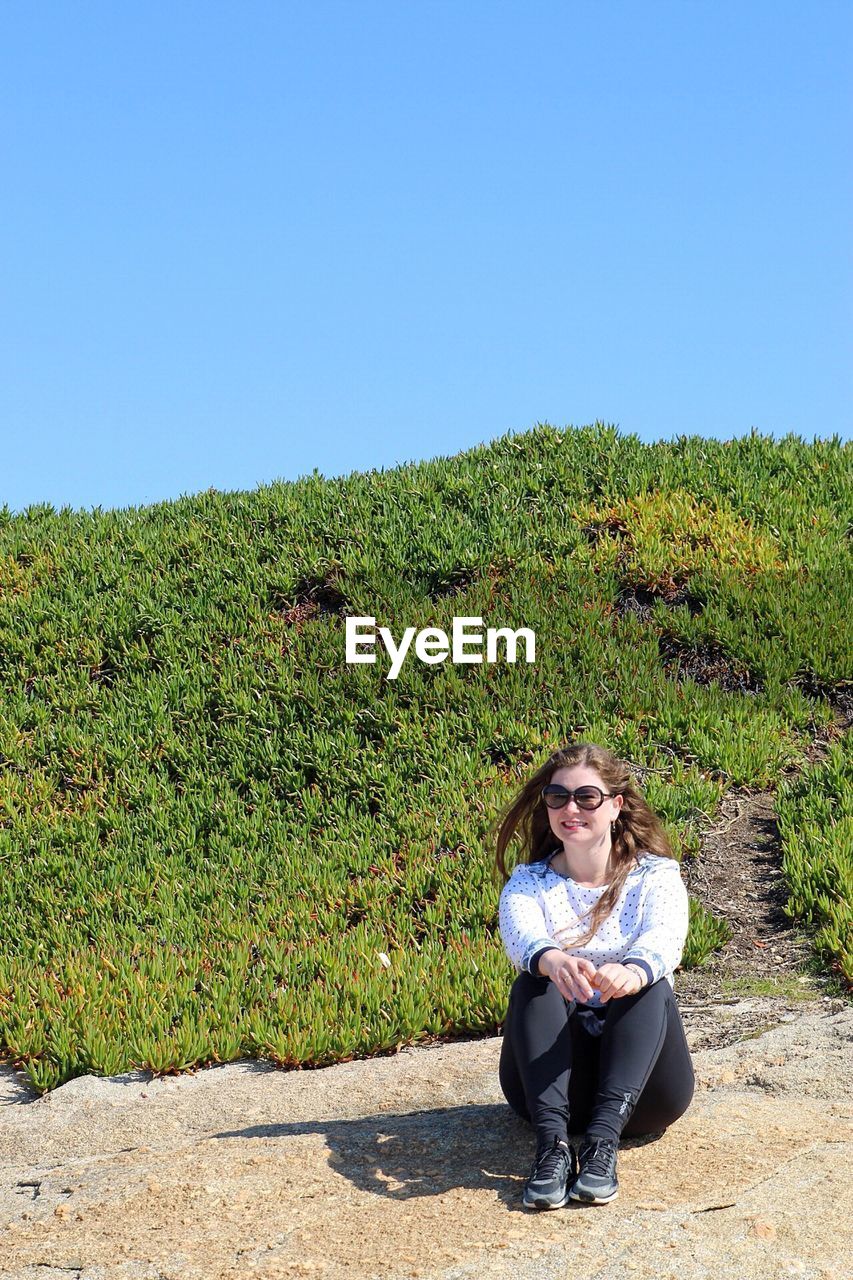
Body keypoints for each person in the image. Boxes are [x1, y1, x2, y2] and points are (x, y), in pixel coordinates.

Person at [495, 741, 695, 1210]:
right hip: (550, 1089)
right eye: (557, 797)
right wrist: (555, 960)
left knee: (648, 985)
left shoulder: (656, 876)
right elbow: (523, 937)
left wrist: (630, 971)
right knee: (535, 981)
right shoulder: (528, 883)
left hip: (643, 1097)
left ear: (615, 806)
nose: (571, 809)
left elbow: (665, 937)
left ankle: (602, 1145)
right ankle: (552, 1148)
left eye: (587, 797)